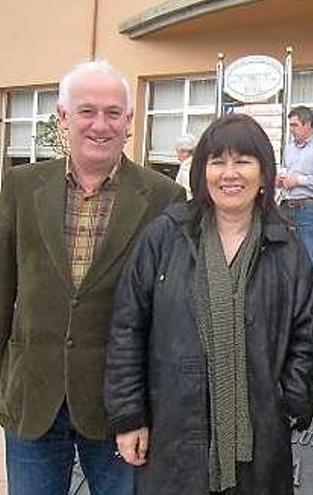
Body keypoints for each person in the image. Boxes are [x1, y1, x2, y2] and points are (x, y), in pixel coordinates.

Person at [104, 113, 313, 494]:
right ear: (201, 171)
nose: (230, 173)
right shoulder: (165, 237)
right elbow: (128, 328)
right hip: (172, 432)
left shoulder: (285, 248)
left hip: (260, 440)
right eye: (217, 161)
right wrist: (129, 416)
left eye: (243, 161)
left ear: (263, 174)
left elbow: (309, 334)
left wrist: (289, 399)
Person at [0, 60, 184, 495]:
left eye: (113, 112)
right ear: (63, 117)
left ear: (129, 121)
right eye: (86, 111)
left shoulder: (164, 197)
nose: (100, 124)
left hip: (118, 407)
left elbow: (168, 315)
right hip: (33, 395)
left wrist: (151, 404)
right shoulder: (20, 187)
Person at [277, 105, 313, 278]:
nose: (292, 130)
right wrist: (281, 180)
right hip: (287, 207)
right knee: (287, 258)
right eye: (291, 126)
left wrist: (299, 180)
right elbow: (287, 174)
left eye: (295, 125)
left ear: (308, 125)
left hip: (308, 210)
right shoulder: (289, 149)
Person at [174, 133, 196, 199]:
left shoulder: (187, 167)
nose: (177, 155)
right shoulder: (190, 164)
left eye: (178, 151)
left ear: (185, 152)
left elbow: (188, 192)